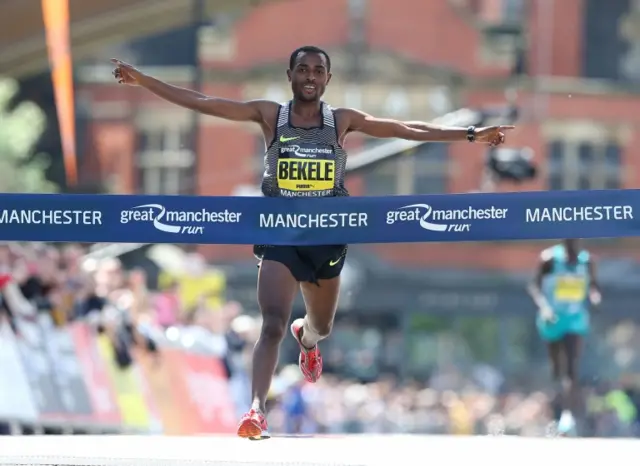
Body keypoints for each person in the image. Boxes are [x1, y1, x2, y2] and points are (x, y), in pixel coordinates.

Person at [111, 45, 514, 440]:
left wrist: (470, 134)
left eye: (317, 71)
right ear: (290, 76)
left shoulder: (340, 121)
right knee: (271, 323)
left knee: (321, 324)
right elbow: (204, 101)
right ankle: (256, 410)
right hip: (280, 235)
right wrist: (144, 80)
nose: (309, 77)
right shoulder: (271, 115)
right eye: (302, 70)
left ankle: (307, 339)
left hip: (327, 237)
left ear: (327, 79)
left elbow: (404, 129)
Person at [528, 238, 601, 436]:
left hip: (576, 319)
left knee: (572, 368)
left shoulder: (587, 262)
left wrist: (594, 296)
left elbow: (593, 285)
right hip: (552, 318)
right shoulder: (549, 259)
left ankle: (567, 417)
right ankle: (555, 411)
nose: (573, 250)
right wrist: (544, 308)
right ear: (564, 243)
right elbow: (534, 287)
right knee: (556, 368)